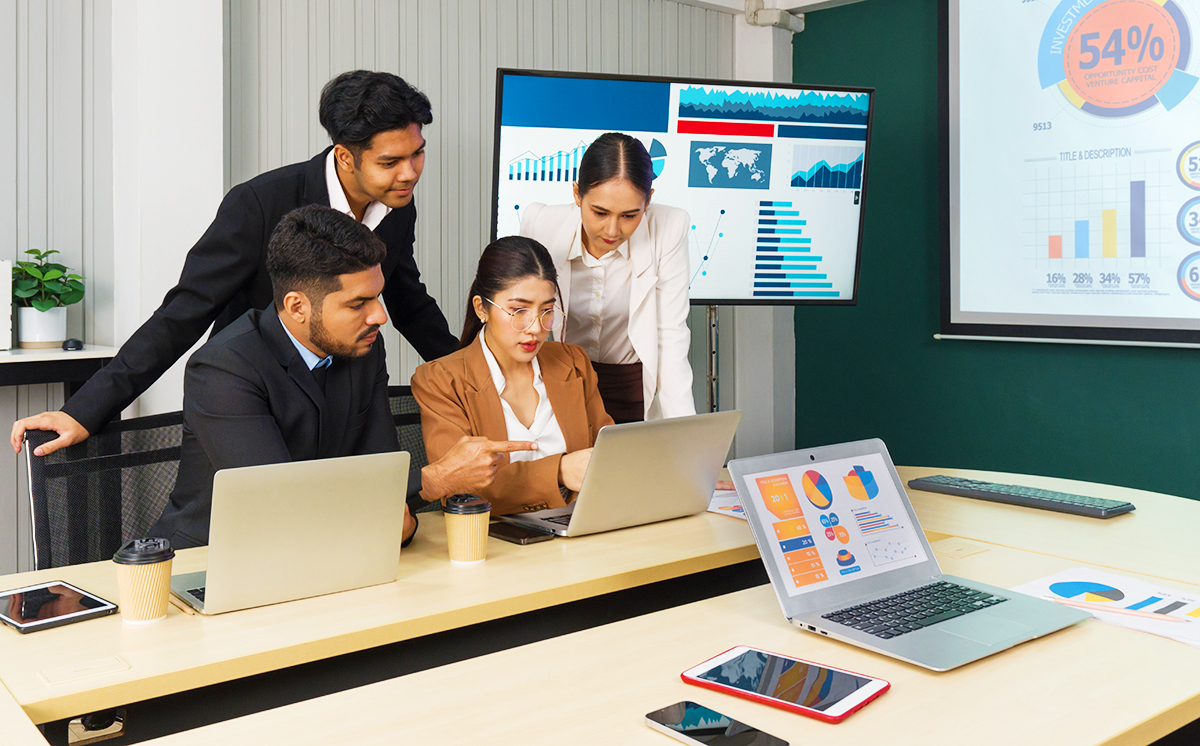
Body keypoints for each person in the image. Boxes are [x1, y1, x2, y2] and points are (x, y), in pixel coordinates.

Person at [12, 70, 458, 457]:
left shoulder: (397, 204)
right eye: (391, 161)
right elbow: (182, 314)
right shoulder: (261, 203)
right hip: (252, 398)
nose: (410, 172)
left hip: (342, 395)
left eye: (417, 153)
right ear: (345, 155)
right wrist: (84, 410)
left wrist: (474, 377)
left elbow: (407, 300)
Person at [151, 206, 533, 548]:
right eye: (358, 303)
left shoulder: (363, 348)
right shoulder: (223, 368)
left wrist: (395, 517)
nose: (380, 316)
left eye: (378, 296)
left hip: (327, 548)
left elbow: (382, 472)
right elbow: (281, 501)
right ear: (297, 306)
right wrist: (434, 480)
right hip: (212, 559)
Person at [411, 236, 614, 515]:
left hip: (581, 533)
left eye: (546, 311)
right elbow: (461, 491)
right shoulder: (440, 380)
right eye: (519, 311)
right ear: (482, 308)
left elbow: (609, 458)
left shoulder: (574, 362)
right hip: (491, 542)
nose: (535, 328)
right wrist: (559, 472)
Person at [519, 132, 695, 424]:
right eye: (599, 212)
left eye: (629, 215)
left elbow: (670, 334)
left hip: (631, 384)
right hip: (562, 381)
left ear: (648, 200)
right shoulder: (540, 224)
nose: (612, 231)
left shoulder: (669, 228)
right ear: (577, 194)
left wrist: (688, 439)